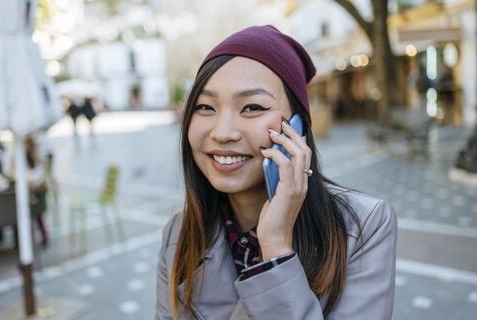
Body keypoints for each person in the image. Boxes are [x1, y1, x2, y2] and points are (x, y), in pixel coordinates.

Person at [156, 25, 397, 320]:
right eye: (205, 107)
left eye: (252, 107)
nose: (222, 132)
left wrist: (276, 250)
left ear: (297, 128)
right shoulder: (178, 234)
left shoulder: (363, 229)